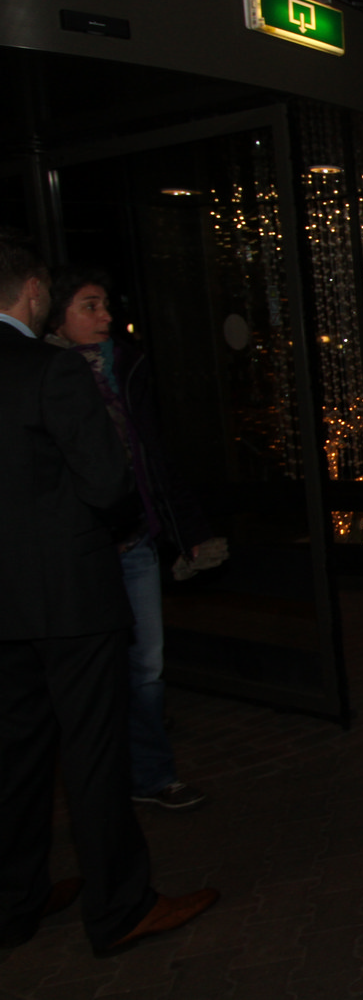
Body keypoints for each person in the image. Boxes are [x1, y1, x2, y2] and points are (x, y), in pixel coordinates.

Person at [0, 230, 217, 955]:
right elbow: (107, 485)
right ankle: (120, 907)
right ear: (35, 291)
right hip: (68, 595)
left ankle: (15, 901)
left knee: (18, 755)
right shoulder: (51, 370)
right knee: (92, 752)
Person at [46, 266, 223, 811]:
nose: (105, 317)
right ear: (56, 315)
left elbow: (155, 457)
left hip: (136, 542)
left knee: (147, 667)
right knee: (91, 674)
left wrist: (190, 530)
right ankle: (98, 782)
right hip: (78, 554)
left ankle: (151, 775)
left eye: (106, 305)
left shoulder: (128, 368)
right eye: (90, 306)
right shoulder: (42, 375)